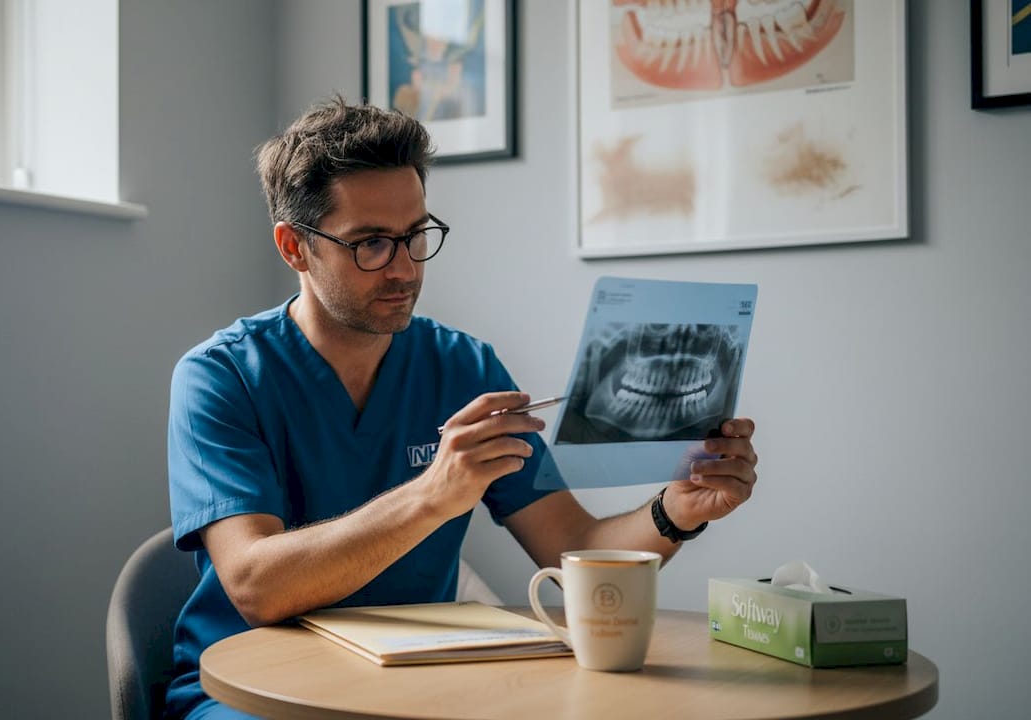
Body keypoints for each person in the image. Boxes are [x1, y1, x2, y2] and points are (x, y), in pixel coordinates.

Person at [164, 96, 759, 719]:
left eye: (416, 235)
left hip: (414, 689)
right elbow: (257, 586)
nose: (404, 269)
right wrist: (433, 495)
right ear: (294, 247)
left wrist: (676, 512)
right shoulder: (221, 376)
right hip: (251, 694)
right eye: (371, 243)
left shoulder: (463, 367)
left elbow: (573, 547)